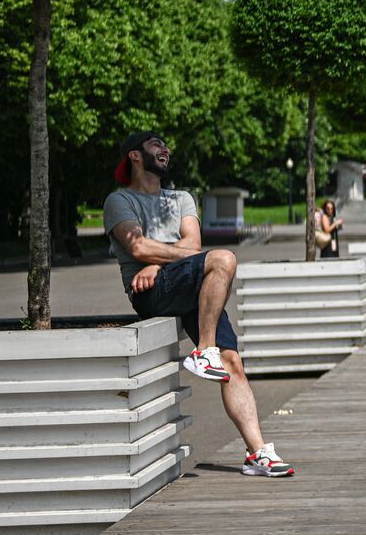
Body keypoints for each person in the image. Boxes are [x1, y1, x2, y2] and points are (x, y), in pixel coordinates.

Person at [102, 131, 293, 477]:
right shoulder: (119, 201)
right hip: (149, 293)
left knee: (232, 360)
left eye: (165, 145)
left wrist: (155, 260)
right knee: (223, 260)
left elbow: (193, 244)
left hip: (187, 286)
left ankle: (257, 453)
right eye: (155, 144)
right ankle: (204, 350)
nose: (165, 149)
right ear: (133, 155)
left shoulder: (181, 199)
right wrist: (150, 257)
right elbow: (138, 247)